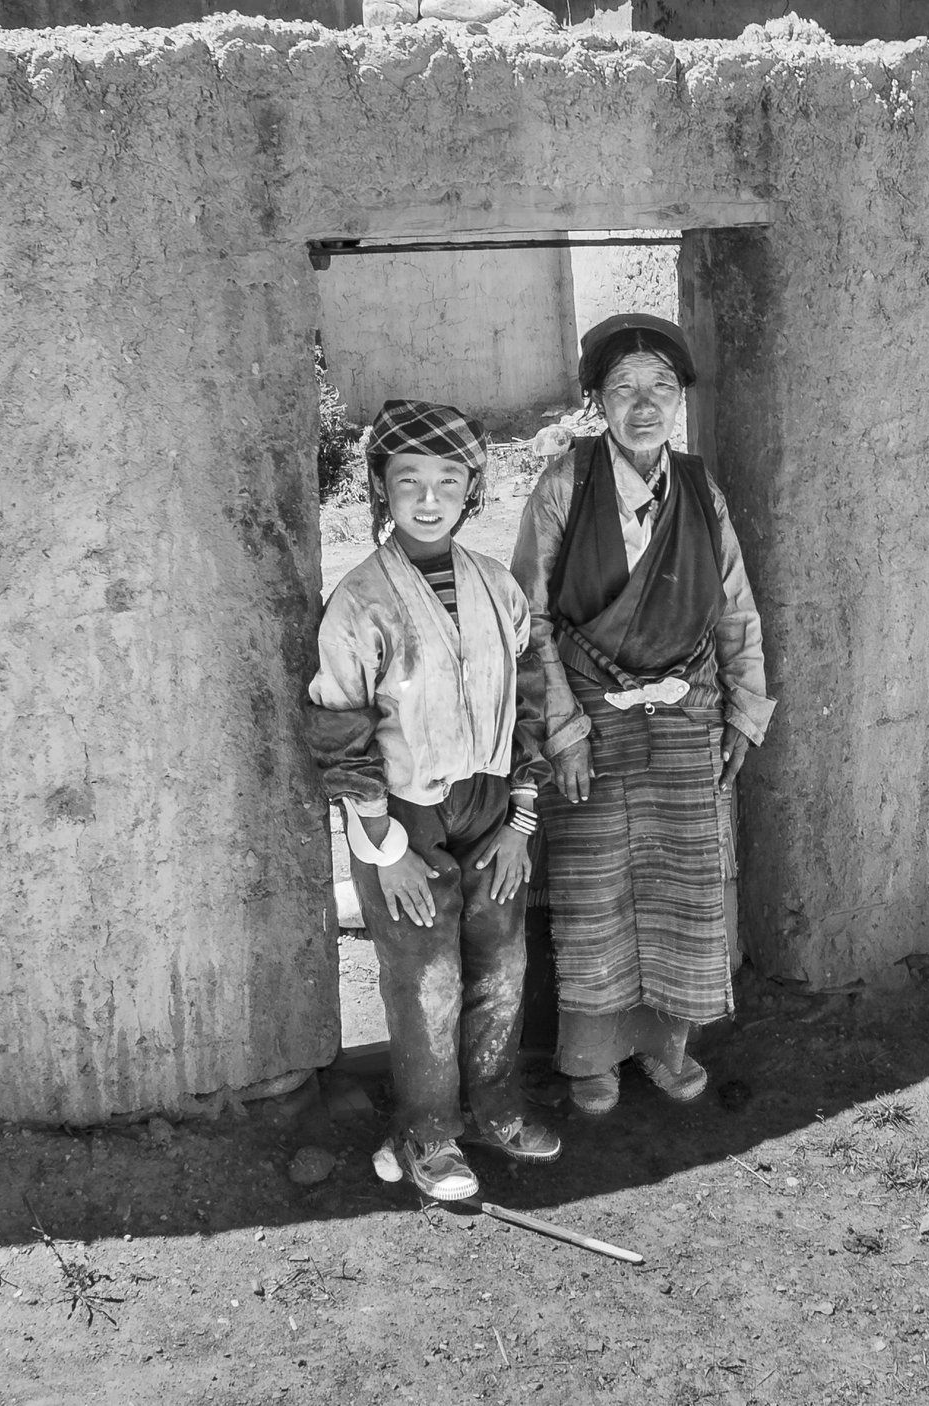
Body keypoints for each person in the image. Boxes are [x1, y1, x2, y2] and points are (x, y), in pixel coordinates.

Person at [512, 314, 775, 1116]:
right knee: (594, 889)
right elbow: (528, 617)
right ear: (596, 401)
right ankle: (592, 1056)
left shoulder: (699, 488)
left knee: (683, 887)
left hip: (686, 712)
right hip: (592, 717)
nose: (644, 404)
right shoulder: (564, 486)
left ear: (680, 400)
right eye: (623, 389)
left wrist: (743, 711)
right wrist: (561, 729)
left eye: (660, 387)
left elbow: (735, 608)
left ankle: (666, 1049)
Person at [307, 399, 560, 1201]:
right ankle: (428, 1130)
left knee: (502, 956)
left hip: (491, 802)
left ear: (471, 489)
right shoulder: (360, 603)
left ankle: (494, 1103)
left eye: (447, 480)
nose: (427, 497)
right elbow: (340, 732)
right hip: (403, 813)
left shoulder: (496, 589)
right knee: (426, 973)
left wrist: (521, 819)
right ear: (381, 489)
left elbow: (529, 706)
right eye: (407, 479)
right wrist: (384, 849)